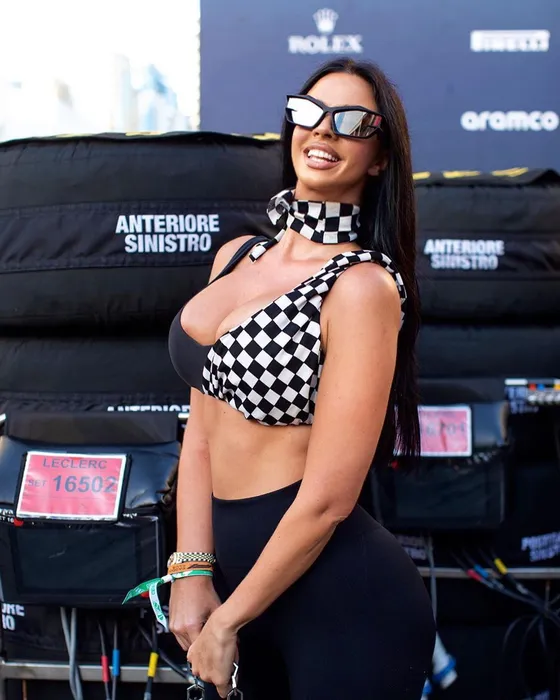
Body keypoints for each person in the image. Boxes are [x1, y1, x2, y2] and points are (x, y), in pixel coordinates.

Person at [168, 57, 436, 699]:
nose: (323, 130)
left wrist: (228, 621)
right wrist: (191, 571)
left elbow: (328, 500)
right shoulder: (235, 257)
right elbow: (201, 432)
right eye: (310, 112)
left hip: (343, 604)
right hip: (235, 591)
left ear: (380, 158)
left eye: (352, 122)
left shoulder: (362, 287)